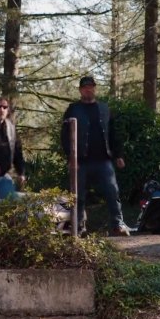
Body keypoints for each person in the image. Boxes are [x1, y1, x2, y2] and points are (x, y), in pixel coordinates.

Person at [61, 76, 130, 237]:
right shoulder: (73, 109)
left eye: (91, 86)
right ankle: (78, 227)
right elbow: (64, 136)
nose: (88, 89)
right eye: (85, 87)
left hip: (103, 160)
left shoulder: (104, 108)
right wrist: (71, 158)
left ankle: (117, 225)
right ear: (80, 90)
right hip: (80, 161)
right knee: (78, 196)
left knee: (112, 192)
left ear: (95, 88)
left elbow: (113, 133)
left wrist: (118, 155)